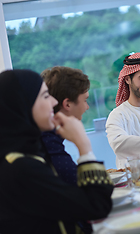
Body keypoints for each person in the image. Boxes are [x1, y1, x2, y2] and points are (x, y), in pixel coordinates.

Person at [0, 69, 113, 234]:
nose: (54, 102)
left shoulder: (23, 153)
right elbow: (97, 206)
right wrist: (84, 146)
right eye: (45, 96)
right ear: (24, 104)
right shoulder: (20, 167)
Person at [41, 66, 90, 186]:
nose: (87, 107)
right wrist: (83, 144)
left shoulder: (50, 137)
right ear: (67, 104)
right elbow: (91, 194)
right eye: (85, 100)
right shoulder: (49, 142)